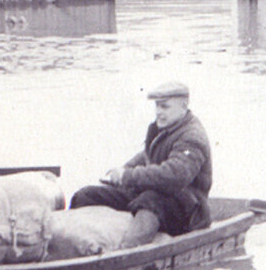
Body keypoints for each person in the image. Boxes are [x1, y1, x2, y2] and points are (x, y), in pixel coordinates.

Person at [70, 81, 212, 248]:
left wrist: (128, 176)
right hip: (159, 196)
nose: (158, 112)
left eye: (165, 107)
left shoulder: (192, 136)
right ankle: (72, 245)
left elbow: (175, 175)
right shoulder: (165, 129)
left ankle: (127, 252)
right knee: (86, 196)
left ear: (183, 106)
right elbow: (146, 156)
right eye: (157, 106)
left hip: (188, 211)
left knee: (150, 201)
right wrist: (123, 170)